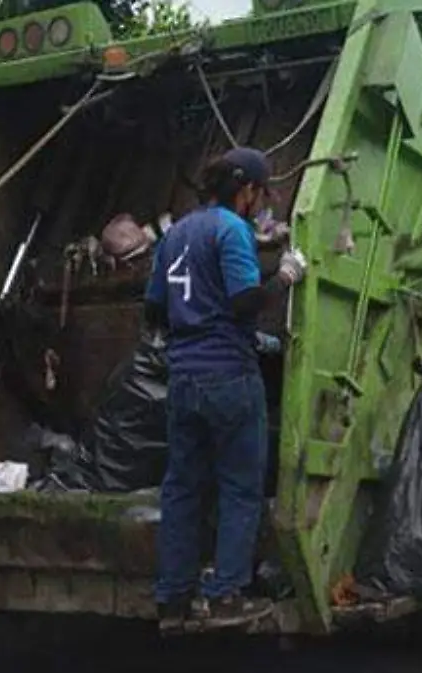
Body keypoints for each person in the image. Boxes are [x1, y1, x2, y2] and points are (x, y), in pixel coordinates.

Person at [144, 148, 308, 633]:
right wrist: (284, 275)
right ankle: (225, 596)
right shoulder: (230, 230)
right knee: (239, 487)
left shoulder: (174, 234)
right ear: (247, 190)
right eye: (260, 194)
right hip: (229, 378)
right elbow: (244, 301)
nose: (259, 203)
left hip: (183, 380)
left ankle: (172, 599)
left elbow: (154, 308)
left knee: (182, 488)